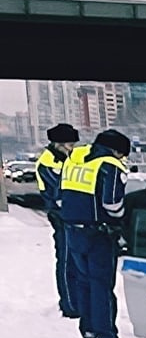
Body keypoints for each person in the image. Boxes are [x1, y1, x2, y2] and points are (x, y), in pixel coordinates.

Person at [56, 126, 131, 338]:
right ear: (117, 151)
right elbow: (112, 204)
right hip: (99, 232)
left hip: (72, 228)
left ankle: (87, 329)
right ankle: (106, 335)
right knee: (101, 284)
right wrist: (121, 218)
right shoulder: (111, 165)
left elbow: (60, 195)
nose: (123, 158)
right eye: (123, 154)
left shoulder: (75, 157)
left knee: (84, 280)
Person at [34, 123, 81, 319]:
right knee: (66, 260)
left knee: (76, 261)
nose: (71, 149)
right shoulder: (48, 162)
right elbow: (59, 189)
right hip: (60, 215)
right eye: (68, 145)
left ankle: (76, 301)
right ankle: (69, 305)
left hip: (72, 215)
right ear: (57, 144)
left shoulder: (66, 159)